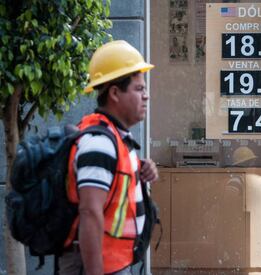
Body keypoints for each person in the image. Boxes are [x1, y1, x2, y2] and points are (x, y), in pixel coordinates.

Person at [59, 40, 159, 275]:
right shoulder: (100, 144)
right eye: (139, 89)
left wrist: (145, 169)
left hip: (114, 262)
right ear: (114, 93)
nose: (146, 96)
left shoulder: (117, 137)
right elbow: (89, 213)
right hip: (98, 266)